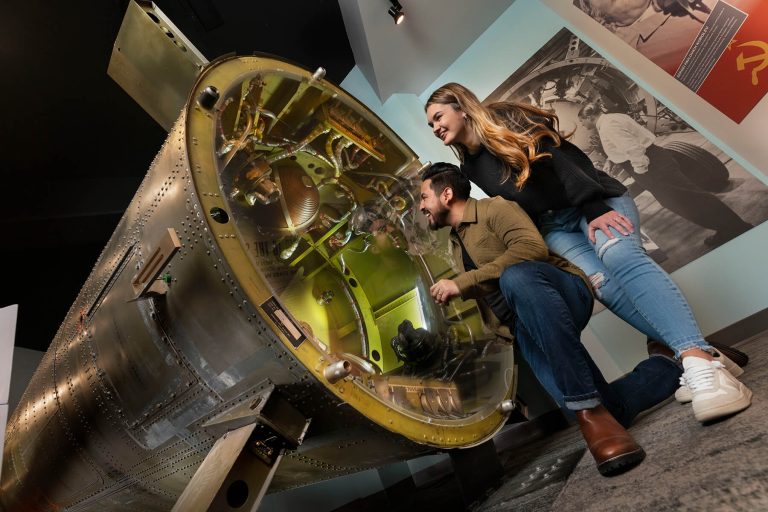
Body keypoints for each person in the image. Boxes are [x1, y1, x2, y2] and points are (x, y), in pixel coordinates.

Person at [424, 83, 752, 423]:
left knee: (619, 257)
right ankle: (704, 356)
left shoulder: (506, 119)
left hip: (593, 203)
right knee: (603, 286)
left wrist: (593, 208)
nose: (435, 127)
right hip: (554, 227)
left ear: (462, 107)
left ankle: (700, 363)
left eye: (438, 117)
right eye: (430, 124)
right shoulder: (470, 166)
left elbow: (565, 158)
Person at [419, 162, 674, 476]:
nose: (421, 206)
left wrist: (462, 282)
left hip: (563, 293)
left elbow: (531, 249)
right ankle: (669, 366)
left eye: (424, 197)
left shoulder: (494, 208)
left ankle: (588, 407)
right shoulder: (454, 242)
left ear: (446, 194)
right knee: (611, 413)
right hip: (522, 325)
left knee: (516, 277)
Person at [577, 103, 752, 247]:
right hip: (655, 160)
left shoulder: (608, 126)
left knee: (690, 200)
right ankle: (728, 227)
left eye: (582, 121)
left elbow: (634, 149)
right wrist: (612, 159)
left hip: (651, 167)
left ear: (589, 116)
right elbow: (627, 143)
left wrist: (642, 173)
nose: (583, 125)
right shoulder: (614, 118)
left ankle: (735, 228)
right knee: (689, 198)